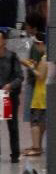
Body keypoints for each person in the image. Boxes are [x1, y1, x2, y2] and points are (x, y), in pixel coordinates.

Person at [0, 29, 23, 162]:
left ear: (4, 41)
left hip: (8, 96)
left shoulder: (12, 56)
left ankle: (15, 154)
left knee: (12, 126)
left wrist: (10, 85)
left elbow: (20, 76)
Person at [23, 32, 47, 157]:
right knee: (41, 122)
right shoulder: (50, 58)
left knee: (35, 122)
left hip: (40, 95)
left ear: (41, 44)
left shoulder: (44, 59)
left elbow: (40, 75)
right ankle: (37, 145)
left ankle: (36, 147)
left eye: (37, 44)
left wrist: (31, 66)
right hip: (44, 94)